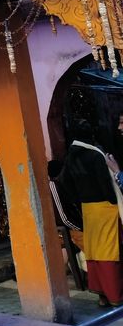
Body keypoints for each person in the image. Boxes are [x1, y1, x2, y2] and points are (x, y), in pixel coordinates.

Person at [58, 120, 123, 306]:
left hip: (88, 209)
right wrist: (112, 201)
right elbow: (105, 184)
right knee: (110, 253)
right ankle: (115, 296)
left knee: (94, 252)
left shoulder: (70, 156)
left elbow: (65, 183)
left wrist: (80, 201)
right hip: (105, 209)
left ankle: (102, 295)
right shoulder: (95, 155)